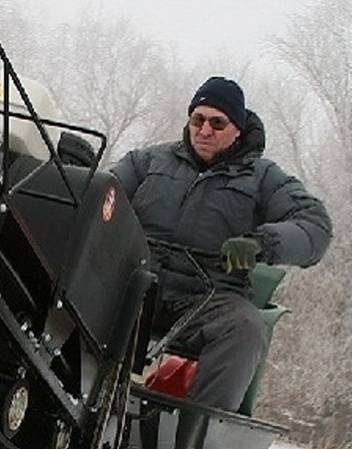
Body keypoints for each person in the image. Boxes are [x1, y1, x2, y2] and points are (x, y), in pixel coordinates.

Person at [110, 76, 333, 412]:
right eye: (198, 120)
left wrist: (261, 243)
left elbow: (315, 227)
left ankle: (194, 431)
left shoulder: (263, 178)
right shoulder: (147, 162)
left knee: (245, 328)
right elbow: (101, 194)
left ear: (238, 130)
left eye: (218, 123)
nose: (205, 130)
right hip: (138, 287)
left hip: (207, 300)